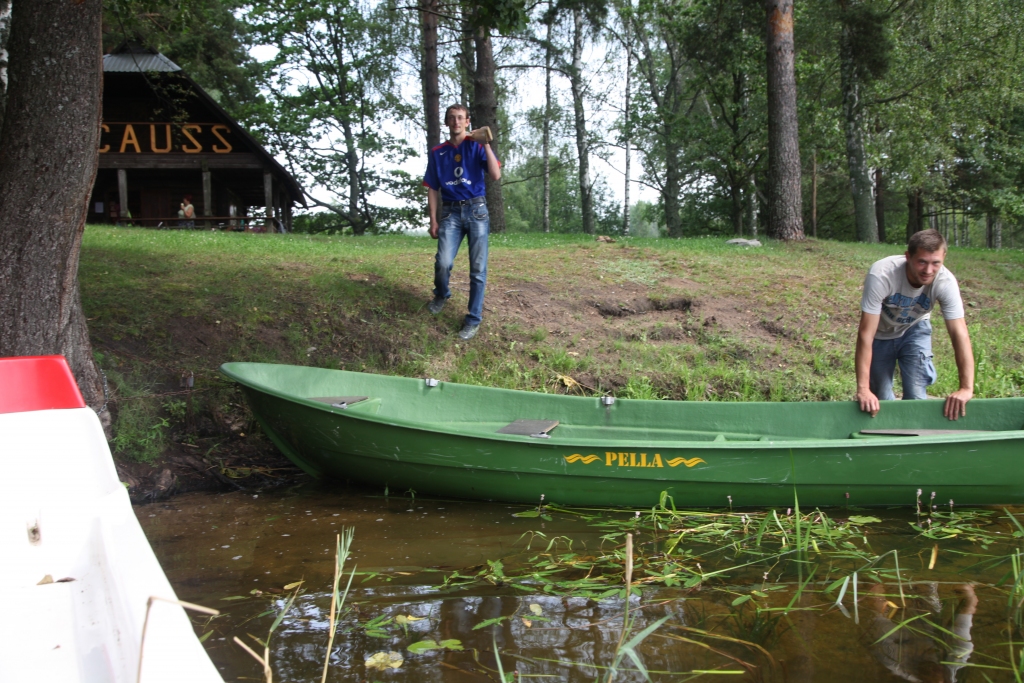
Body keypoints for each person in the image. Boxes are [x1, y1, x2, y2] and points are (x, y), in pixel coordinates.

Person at [855, 229, 974, 420]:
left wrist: (966, 388)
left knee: (916, 395)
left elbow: (959, 333)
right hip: (880, 334)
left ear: (944, 257)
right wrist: (863, 389)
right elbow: (866, 333)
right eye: (922, 262)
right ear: (908, 257)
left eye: (936, 263)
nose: (928, 270)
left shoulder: (945, 282)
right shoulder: (882, 274)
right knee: (879, 400)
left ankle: (915, 433)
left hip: (915, 329)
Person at [423, 104, 501, 341]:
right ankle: (441, 293)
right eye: (451, 118)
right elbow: (432, 188)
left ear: (467, 122)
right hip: (450, 213)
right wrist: (433, 219)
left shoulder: (476, 146)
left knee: (477, 270)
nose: (456, 122)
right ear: (447, 122)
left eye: (460, 118)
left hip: (477, 210)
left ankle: (473, 319)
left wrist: (485, 143)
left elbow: (495, 175)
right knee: (443, 262)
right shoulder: (438, 152)